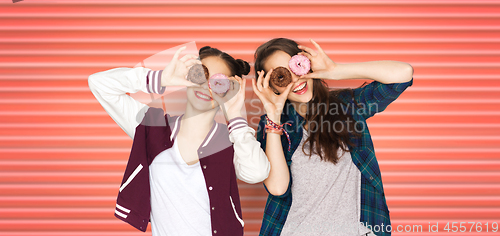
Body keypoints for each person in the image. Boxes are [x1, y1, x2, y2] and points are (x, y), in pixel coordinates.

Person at [88, 45, 270, 236]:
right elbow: (99, 83)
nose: (205, 87)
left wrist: (235, 116)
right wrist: (161, 79)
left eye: (218, 83)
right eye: (200, 75)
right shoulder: (152, 127)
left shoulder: (232, 140)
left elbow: (257, 173)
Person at [251, 38, 414, 236]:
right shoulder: (272, 125)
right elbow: (278, 188)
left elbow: (403, 74)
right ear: (271, 86)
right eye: (282, 76)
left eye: (298, 67)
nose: (296, 81)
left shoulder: (346, 106)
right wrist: (274, 114)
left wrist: (336, 70)